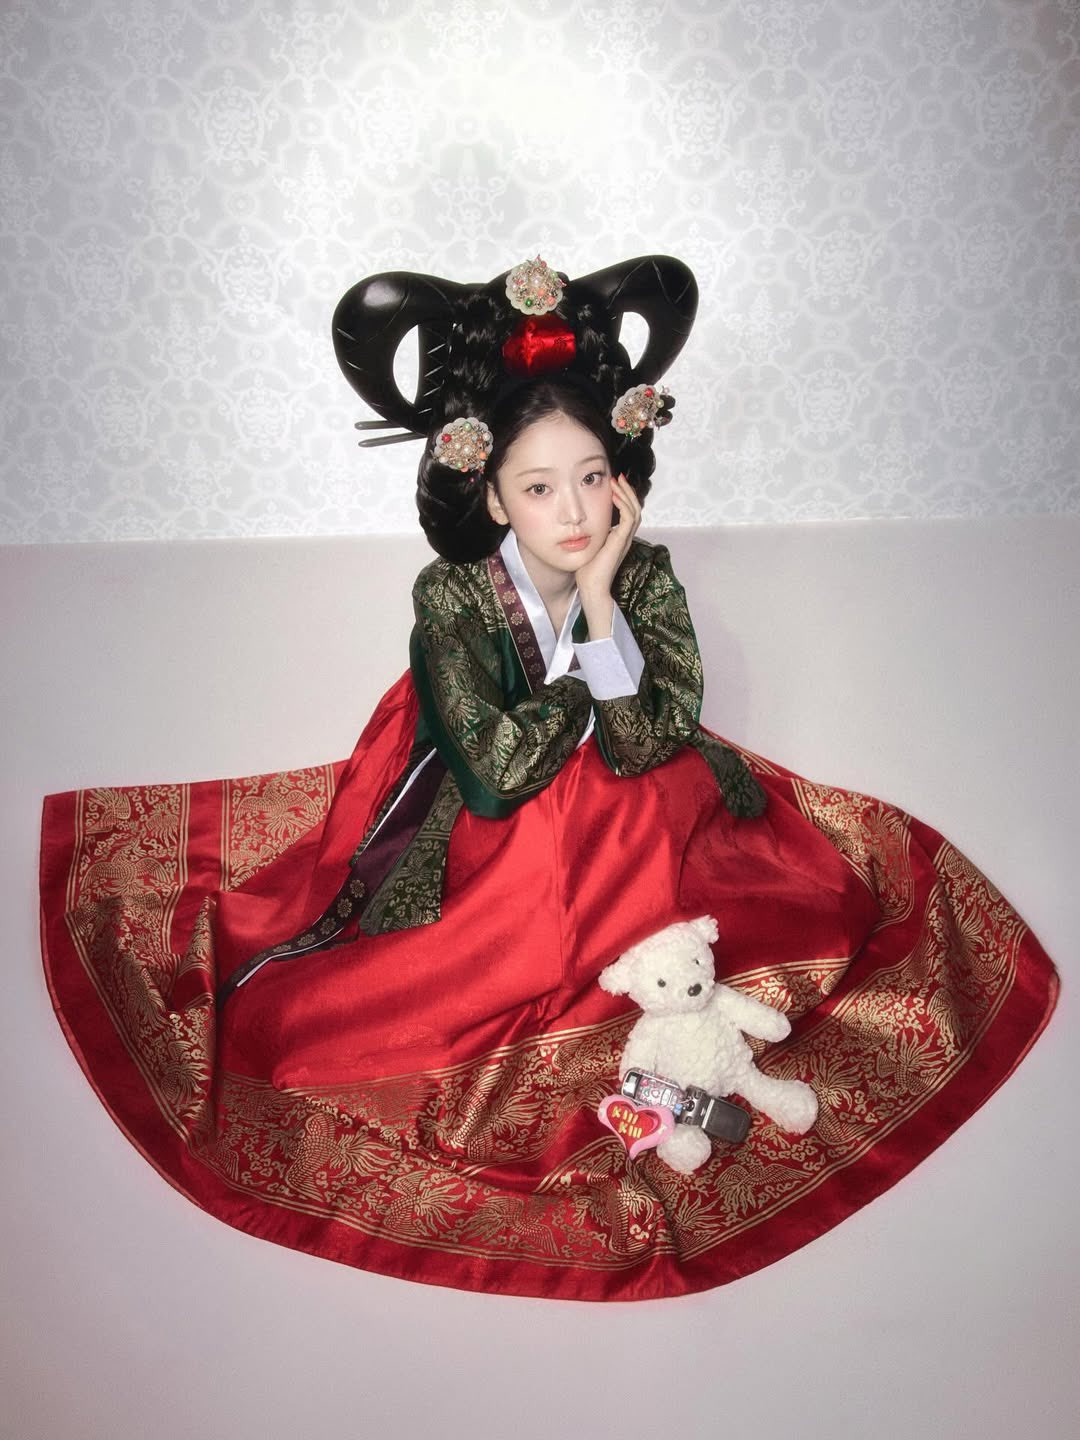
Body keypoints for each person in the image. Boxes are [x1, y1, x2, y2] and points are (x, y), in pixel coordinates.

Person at [39, 256, 1058, 1302]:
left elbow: (652, 736)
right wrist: (582, 677)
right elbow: (494, 775)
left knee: (670, 818)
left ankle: (635, 964)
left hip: (623, 802)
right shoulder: (453, 598)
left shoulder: (641, 572)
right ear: (491, 493)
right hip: (473, 801)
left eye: (592, 476)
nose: (572, 511)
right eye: (537, 487)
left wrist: (603, 600)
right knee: (348, 1002)